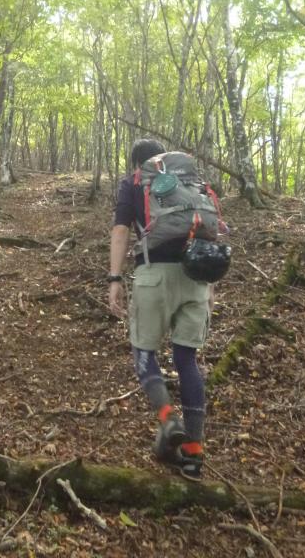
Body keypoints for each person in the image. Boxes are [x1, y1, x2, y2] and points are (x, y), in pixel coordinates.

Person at [108, 137, 213, 479]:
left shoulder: (134, 182)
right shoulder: (189, 183)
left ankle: (168, 420)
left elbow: (121, 230)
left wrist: (114, 278)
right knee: (187, 360)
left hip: (153, 275)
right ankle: (193, 455)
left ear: (136, 163)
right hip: (196, 276)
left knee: (143, 352)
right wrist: (209, 286)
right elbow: (207, 230)